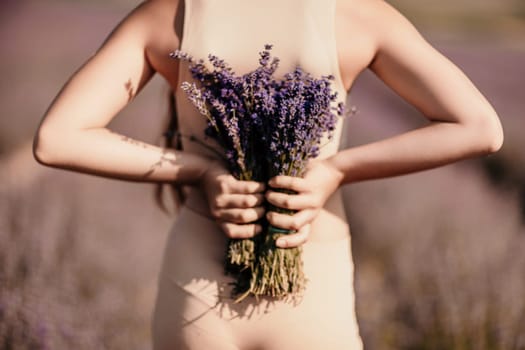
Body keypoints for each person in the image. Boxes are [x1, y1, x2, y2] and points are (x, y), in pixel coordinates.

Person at [32, 0, 503, 349]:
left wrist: (199, 172)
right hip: (314, 284)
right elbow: (479, 127)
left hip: (197, 281)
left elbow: (58, 137)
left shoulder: (172, 13)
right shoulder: (357, 14)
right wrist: (333, 171)